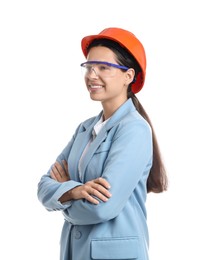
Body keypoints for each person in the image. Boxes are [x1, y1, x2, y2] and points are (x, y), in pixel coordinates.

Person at [37, 27, 168, 260]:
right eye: (88, 67)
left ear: (129, 76)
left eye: (103, 68)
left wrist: (63, 195)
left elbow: (102, 207)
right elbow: (43, 187)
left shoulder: (134, 130)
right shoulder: (85, 128)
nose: (91, 75)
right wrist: (75, 190)